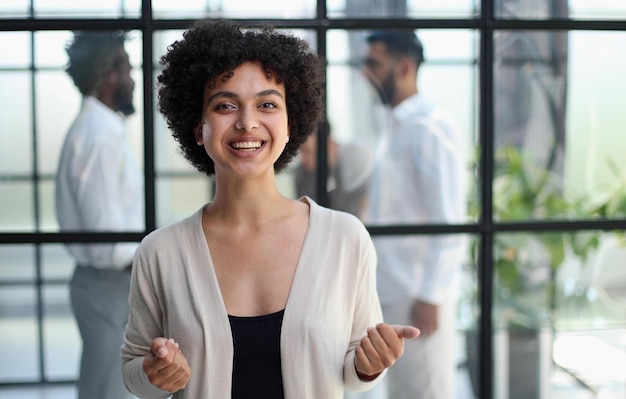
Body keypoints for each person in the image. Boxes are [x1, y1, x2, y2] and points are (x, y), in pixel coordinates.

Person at [120, 19, 420, 399]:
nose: (247, 123)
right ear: (198, 127)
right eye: (226, 105)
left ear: (290, 121)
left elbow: (351, 368)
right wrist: (154, 373)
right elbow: (133, 369)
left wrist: (368, 363)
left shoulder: (345, 238)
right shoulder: (161, 252)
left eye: (267, 104)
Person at [360, 30, 468, 399]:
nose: (364, 74)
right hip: (390, 289)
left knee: (425, 392)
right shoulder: (392, 126)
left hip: (416, 294)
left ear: (404, 67)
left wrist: (431, 296)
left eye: (374, 63)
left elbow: (450, 221)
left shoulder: (429, 127)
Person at [55, 31, 142, 399]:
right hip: (108, 285)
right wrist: (157, 258)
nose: (133, 79)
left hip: (107, 283)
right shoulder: (98, 136)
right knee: (109, 392)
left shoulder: (101, 129)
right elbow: (109, 242)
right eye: (127, 68)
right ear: (109, 74)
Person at [294, 119, 373, 219]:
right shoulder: (302, 174)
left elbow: (361, 209)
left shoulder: (354, 161)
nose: (303, 159)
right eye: (301, 151)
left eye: (308, 151)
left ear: (329, 144)